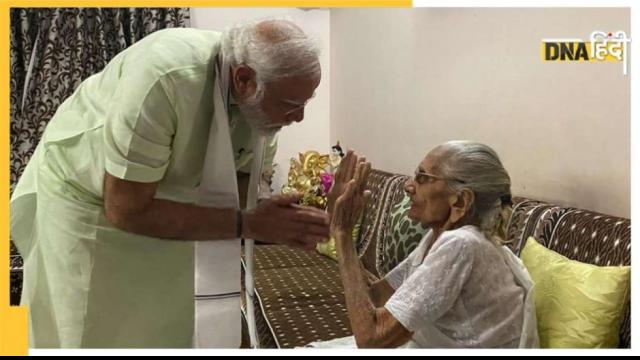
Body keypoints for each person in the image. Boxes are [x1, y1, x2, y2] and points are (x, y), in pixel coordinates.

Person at [10, 19, 330, 348]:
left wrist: (265, 216)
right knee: (85, 326)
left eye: (306, 103)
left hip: (167, 201)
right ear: (245, 79)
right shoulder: (166, 75)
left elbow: (235, 199)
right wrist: (250, 223)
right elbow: (126, 210)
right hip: (87, 199)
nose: (299, 118)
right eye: (292, 105)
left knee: (167, 321)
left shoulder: (263, 118)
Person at [317, 141, 538, 348]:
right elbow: (375, 297)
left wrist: (343, 233)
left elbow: (372, 338)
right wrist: (336, 215)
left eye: (422, 177)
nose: (408, 186)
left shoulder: (463, 244)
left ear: (460, 201)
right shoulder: (438, 237)